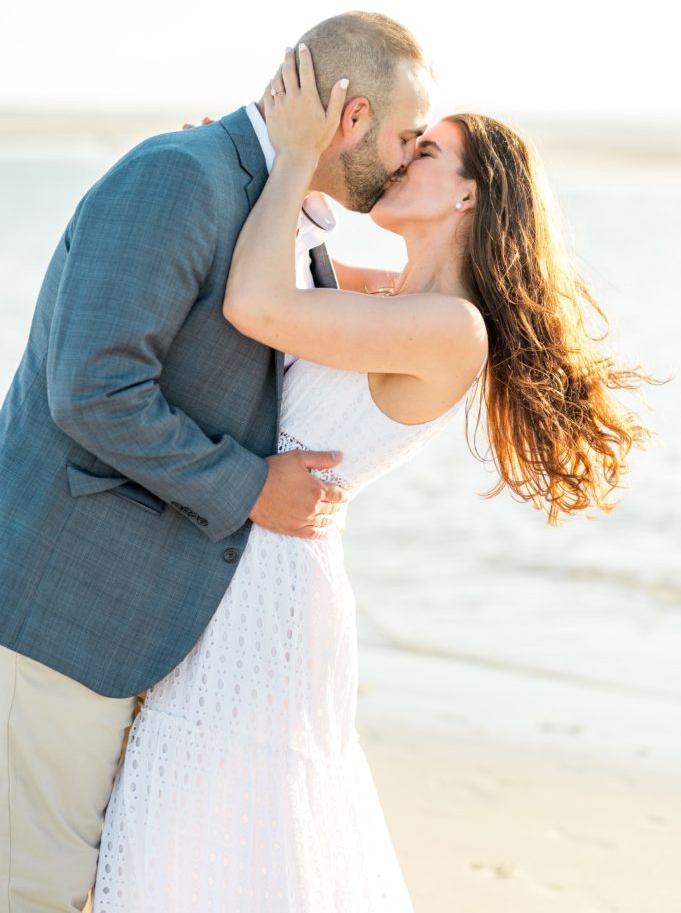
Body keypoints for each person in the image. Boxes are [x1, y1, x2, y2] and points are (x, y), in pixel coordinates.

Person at [92, 46, 649, 911]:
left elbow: (256, 307)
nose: (400, 157)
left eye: (426, 151)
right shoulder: (389, 296)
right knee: (193, 824)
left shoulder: (450, 329)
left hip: (274, 585)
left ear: (467, 194)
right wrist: (242, 171)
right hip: (249, 559)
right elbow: (276, 260)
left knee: (222, 825)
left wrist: (285, 159)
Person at [0, 12, 432, 912]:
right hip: (61, 612)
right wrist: (249, 489)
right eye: (401, 138)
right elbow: (93, 389)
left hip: (145, 626)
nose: (404, 161)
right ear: (346, 116)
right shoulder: (180, 177)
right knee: (32, 887)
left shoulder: (282, 215)